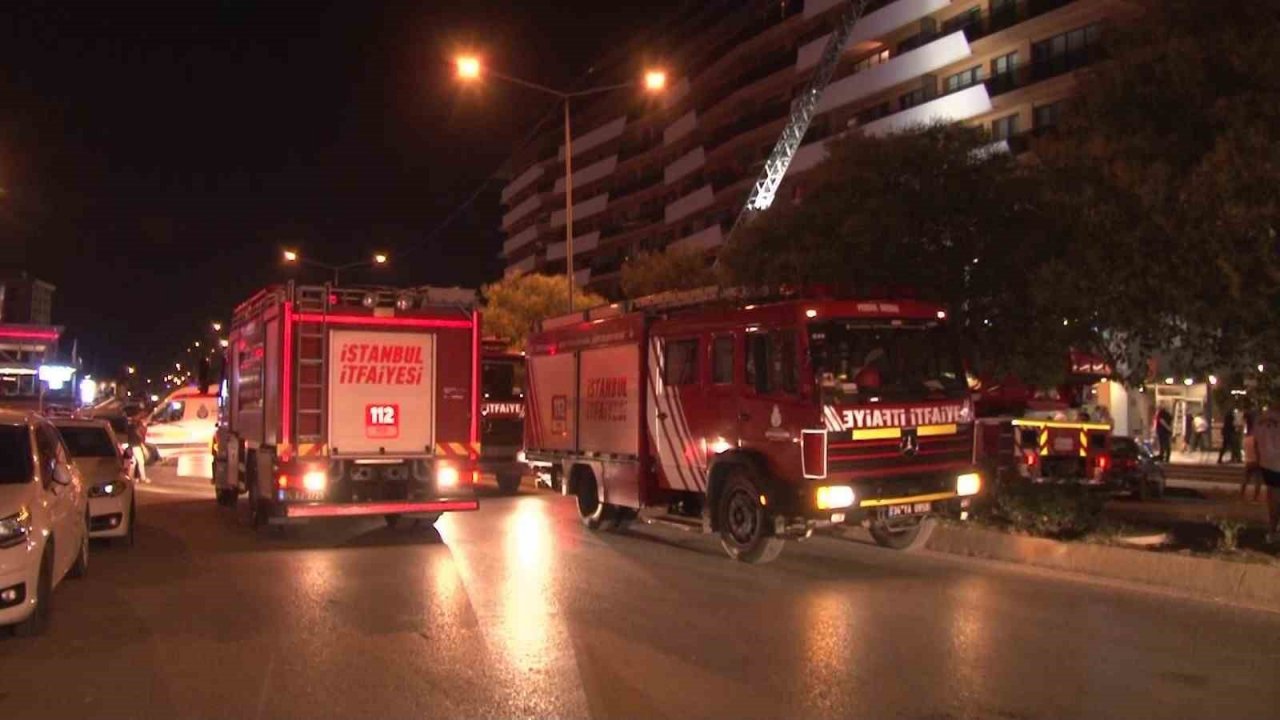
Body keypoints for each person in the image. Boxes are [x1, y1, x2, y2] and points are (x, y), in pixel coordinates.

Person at [1251, 406, 1280, 545]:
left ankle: (1272, 530)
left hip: (1267, 463)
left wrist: (1258, 459)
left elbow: (1255, 443)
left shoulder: (1260, 419)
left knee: (1272, 496)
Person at [126, 410, 150, 484]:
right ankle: (143, 478)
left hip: (133, 445)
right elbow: (139, 437)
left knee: (133, 463)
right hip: (136, 445)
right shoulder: (137, 427)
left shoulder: (131, 426)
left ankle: (130, 478)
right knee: (140, 462)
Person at [1242, 430, 1263, 502]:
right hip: (1255, 461)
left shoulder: (1245, 440)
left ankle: (1242, 494)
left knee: (1246, 479)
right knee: (1258, 480)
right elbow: (1257, 451)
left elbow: (1245, 450)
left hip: (1248, 461)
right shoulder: (1256, 439)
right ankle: (1255, 497)